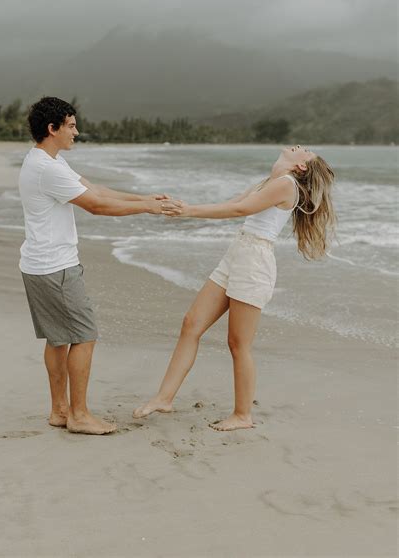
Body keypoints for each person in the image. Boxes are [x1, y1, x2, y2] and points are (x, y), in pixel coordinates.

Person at [134, 145, 336, 431]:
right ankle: (164, 398)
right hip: (237, 253)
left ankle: (243, 415)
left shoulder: (286, 185)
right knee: (191, 324)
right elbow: (233, 202)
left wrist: (188, 212)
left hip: (254, 261)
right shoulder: (268, 181)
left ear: (301, 167)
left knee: (238, 344)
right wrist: (183, 206)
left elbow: (239, 209)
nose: (300, 147)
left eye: (306, 151)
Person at [19, 97, 180, 435]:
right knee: (84, 336)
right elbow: (96, 206)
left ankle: (59, 411)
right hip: (56, 267)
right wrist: (149, 211)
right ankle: (79, 415)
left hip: (39, 264)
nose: (76, 132)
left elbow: (96, 189)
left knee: (58, 339)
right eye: (71, 125)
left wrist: (146, 198)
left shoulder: (46, 161)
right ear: (53, 129)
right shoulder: (48, 168)